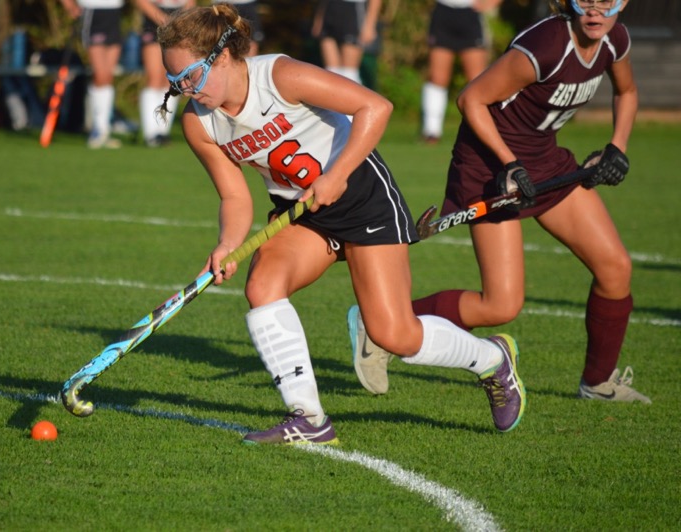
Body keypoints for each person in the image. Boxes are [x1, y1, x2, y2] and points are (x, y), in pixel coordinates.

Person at [157, 4, 526, 445]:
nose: (185, 90)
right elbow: (235, 196)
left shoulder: (279, 76)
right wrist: (226, 244)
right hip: (302, 212)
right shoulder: (200, 124)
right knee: (262, 286)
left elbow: (375, 106)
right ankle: (309, 418)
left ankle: (492, 359)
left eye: (191, 76)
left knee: (395, 334)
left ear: (220, 57)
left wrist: (338, 174)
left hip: (362, 197)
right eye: (175, 82)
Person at [351, 0, 651, 404]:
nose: (596, 11)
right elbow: (471, 99)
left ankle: (597, 384)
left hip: (544, 161)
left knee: (615, 269)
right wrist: (509, 164)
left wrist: (617, 146)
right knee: (500, 305)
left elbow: (628, 91)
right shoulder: (546, 45)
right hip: (489, 166)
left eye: (607, 1)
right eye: (586, 0)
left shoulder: (616, 41)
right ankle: (378, 324)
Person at [421, 0, 501, 144]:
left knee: (477, 79)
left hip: (470, 13)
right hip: (443, 13)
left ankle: (484, 129)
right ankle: (431, 131)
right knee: (437, 77)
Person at [60, 0, 124, 149]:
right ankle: (97, 129)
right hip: (93, 11)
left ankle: (103, 130)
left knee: (108, 76)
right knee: (100, 75)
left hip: (114, 12)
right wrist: (69, 5)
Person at [135, 0, 195, 147]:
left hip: (178, 18)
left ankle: (162, 131)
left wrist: (181, 20)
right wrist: (165, 20)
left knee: (170, 80)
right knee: (154, 77)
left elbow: (190, 3)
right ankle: (150, 133)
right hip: (155, 17)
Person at [311, 0, 381, 85]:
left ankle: (353, 98)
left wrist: (370, 25)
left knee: (349, 74)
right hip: (330, 8)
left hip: (353, 11)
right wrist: (319, 17)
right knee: (331, 72)